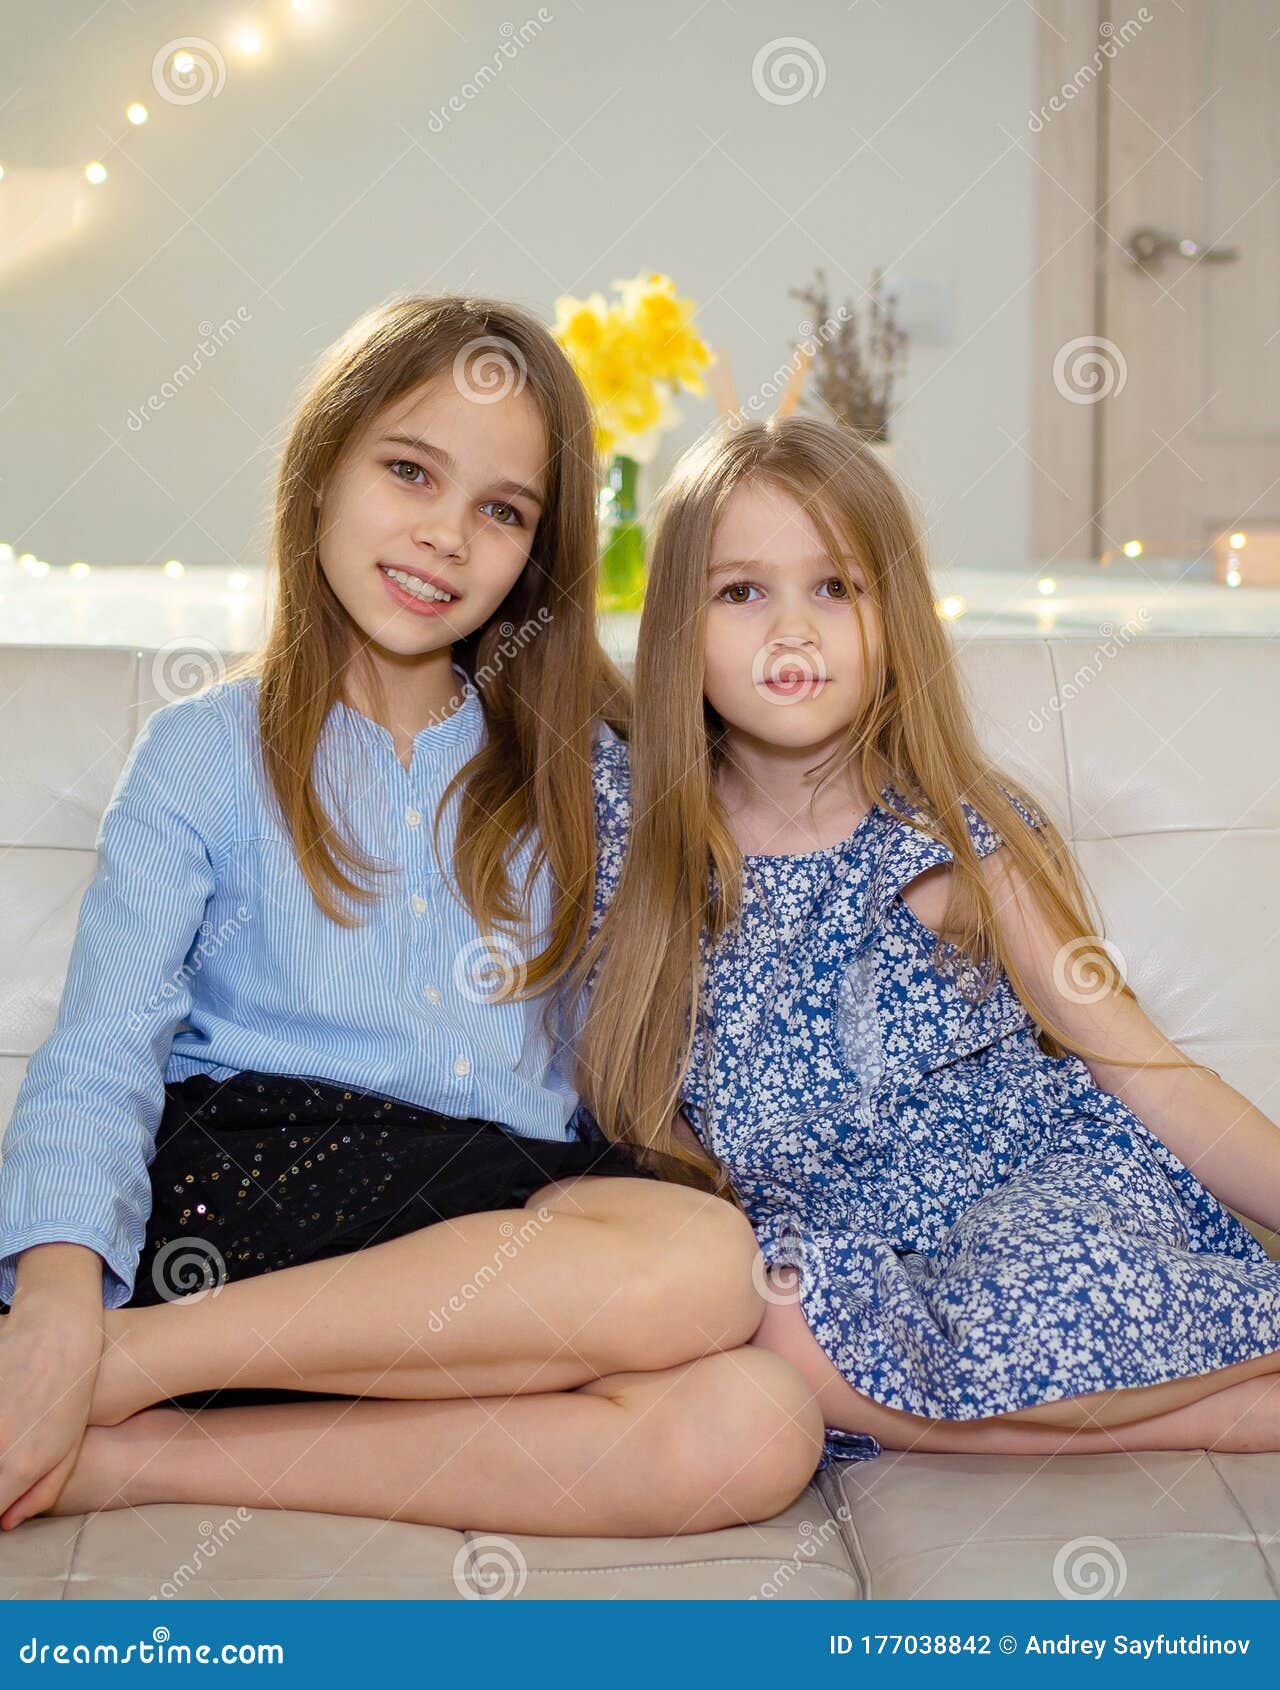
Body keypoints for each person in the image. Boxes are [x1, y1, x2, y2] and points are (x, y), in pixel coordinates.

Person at [0, 298, 822, 1535]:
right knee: (701, 1269)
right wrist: (61, 1288)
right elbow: (103, 1050)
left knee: (755, 1419)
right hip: (257, 1191)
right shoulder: (200, 753)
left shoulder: (583, 764)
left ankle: (128, 1420)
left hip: (496, 1235)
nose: (445, 537)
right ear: (321, 468)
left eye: (501, 510)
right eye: (407, 470)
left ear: (537, 555)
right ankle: (100, 1352)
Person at [574, 413, 1280, 1470]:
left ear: (892, 617)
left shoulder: (950, 839)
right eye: (739, 591)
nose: (790, 632)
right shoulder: (633, 825)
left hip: (1022, 1203)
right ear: (676, 623)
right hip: (828, 1256)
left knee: (1034, 1293)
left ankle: (1094, 1402)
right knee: (763, 1324)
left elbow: (1146, 1072)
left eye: (834, 588)